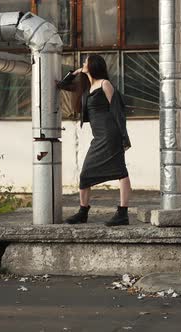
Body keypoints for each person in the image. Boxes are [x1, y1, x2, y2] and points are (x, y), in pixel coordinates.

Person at [56, 54, 132, 226]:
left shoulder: (105, 84)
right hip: (98, 137)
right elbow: (62, 85)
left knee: (120, 171)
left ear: (93, 66)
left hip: (110, 135)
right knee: (85, 174)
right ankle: (83, 213)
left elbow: (118, 111)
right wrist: (76, 72)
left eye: (86, 62)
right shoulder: (86, 87)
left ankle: (122, 214)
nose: (83, 63)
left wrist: (123, 137)